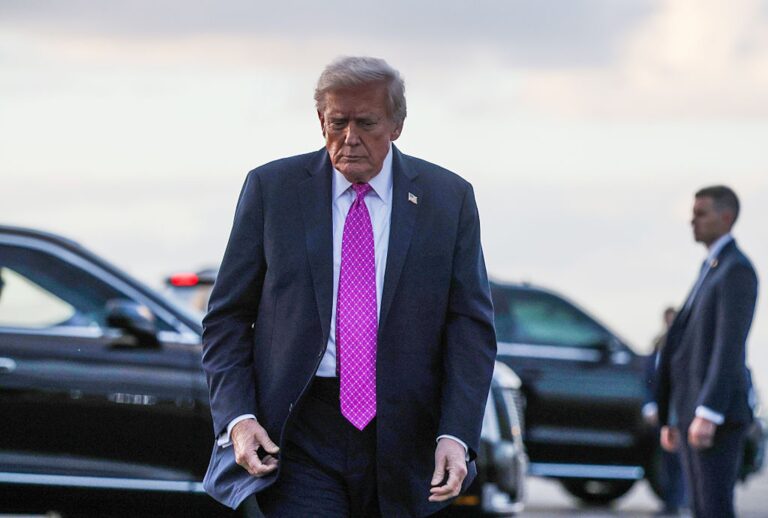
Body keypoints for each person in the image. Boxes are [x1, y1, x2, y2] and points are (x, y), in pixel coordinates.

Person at [200, 56, 497, 517]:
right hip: (300, 431)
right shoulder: (272, 190)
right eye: (337, 123)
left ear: (397, 125)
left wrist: (456, 435)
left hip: (404, 432)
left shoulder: (447, 199)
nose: (350, 137)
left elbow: (470, 329)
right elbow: (228, 318)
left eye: (366, 123)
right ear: (321, 120)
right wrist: (238, 419)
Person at [655, 186, 758, 518]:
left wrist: (709, 412)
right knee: (700, 507)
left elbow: (729, 346)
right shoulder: (711, 267)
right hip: (691, 409)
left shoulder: (736, 270)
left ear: (725, 217)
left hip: (714, 415)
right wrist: (671, 413)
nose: (692, 221)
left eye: (701, 213)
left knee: (714, 508)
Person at [643, 307, 687, 515]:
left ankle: (680, 501)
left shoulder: (685, 343)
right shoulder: (658, 346)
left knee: (681, 460)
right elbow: (651, 379)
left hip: (680, 410)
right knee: (668, 460)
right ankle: (671, 502)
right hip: (665, 410)